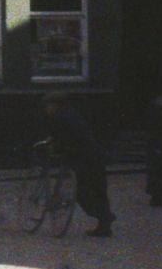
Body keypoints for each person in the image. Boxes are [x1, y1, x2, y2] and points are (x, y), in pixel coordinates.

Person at [42, 95, 113, 238]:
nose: (46, 109)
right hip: (94, 154)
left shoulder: (59, 117)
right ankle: (105, 223)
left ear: (54, 105)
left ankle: (103, 216)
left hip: (82, 157)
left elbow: (63, 138)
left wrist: (54, 147)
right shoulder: (71, 114)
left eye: (47, 106)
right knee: (98, 189)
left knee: (82, 190)